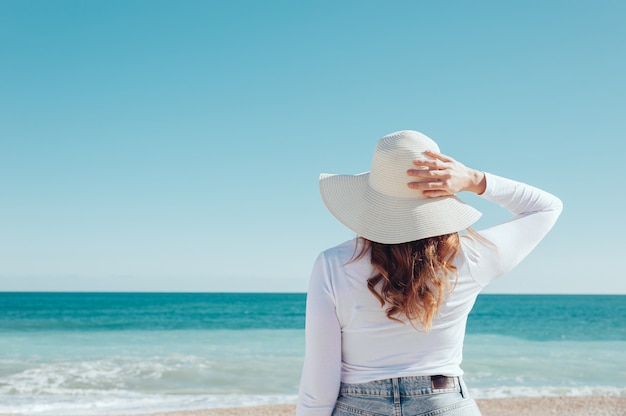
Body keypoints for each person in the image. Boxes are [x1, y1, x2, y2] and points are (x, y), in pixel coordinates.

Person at [296, 130, 563, 416]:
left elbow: (320, 378)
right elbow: (545, 207)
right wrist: (474, 180)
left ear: (371, 198)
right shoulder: (471, 256)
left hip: (357, 404)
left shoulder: (333, 263)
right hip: (445, 402)